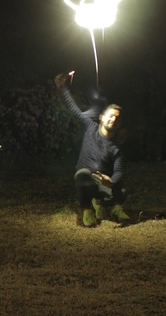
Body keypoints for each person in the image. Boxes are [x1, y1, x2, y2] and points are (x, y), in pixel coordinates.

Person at [55, 73, 129, 227]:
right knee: (82, 175)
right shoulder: (90, 127)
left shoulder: (116, 148)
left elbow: (119, 171)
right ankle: (87, 209)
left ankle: (113, 208)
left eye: (117, 118)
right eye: (111, 116)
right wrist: (63, 89)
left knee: (122, 191)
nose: (113, 119)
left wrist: (111, 181)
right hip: (87, 179)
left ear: (119, 123)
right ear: (102, 117)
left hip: (102, 183)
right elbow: (73, 109)